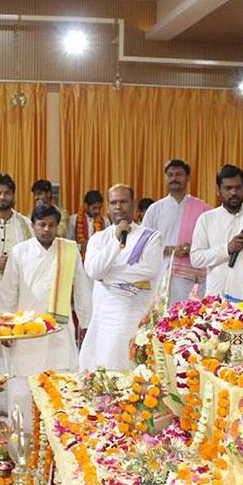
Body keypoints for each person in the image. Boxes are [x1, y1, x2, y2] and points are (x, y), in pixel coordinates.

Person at [0, 204, 92, 426]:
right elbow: (8, 292)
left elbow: (81, 289)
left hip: (58, 331)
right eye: (41, 225)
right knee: (23, 388)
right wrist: (5, 327)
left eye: (51, 225)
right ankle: (22, 436)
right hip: (26, 332)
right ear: (33, 226)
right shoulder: (20, 252)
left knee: (60, 384)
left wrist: (86, 324)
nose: (46, 229)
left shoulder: (69, 250)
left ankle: (59, 436)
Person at [79, 184, 164, 371]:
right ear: (107, 207)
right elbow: (93, 271)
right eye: (114, 202)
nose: (118, 207)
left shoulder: (150, 237)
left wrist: (106, 276)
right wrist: (116, 243)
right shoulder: (99, 239)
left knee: (132, 372)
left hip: (133, 317)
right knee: (103, 372)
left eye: (123, 202)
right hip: (103, 318)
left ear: (133, 204)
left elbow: (149, 269)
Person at [190, 164, 243, 302]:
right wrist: (226, 249)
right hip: (218, 299)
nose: (234, 193)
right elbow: (196, 258)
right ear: (218, 190)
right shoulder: (207, 219)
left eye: (238, 188)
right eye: (228, 188)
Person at [141, 159, 212, 306]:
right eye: (170, 174)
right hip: (161, 275)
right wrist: (172, 250)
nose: (174, 178)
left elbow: (211, 242)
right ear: (165, 178)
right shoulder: (155, 210)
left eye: (179, 174)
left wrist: (194, 249)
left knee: (189, 321)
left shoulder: (203, 209)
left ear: (187, 178)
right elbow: (143, 245)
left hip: (193, 279)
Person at [0, 173, 33, 314]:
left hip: (21, 295)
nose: (2, 197)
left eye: (7, 193)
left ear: (14, 195)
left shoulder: (27, 225)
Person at [67, 189, 110, 260]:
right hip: (78, 260)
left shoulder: (105, 221)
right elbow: (68, 244)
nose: (97, 211)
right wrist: (81, 246)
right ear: (86, 205)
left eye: (99, 208)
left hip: (98, 260)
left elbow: (108, 244)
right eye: (94, 208)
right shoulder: (73, 220)